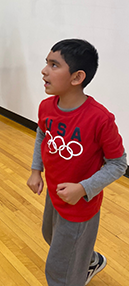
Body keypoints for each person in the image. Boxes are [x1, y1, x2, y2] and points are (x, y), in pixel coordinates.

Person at [27, 39, 127, 286]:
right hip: (55, 192)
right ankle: (89, 260)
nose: (44, 71)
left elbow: (118, 164)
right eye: (46, 63)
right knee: (51, 236)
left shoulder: (100, 119)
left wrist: (83, 188)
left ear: (76, 77)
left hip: (81, 204)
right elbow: (42, 133)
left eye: (54, 65)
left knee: (59, 270)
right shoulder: (46, 107)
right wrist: (36, 169)